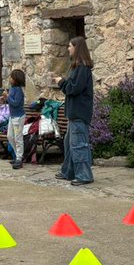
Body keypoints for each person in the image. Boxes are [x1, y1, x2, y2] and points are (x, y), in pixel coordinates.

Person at [53, 36, 94, 186]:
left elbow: (73, 89)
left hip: (79, 113)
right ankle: (68, 171)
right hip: (74, 113)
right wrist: (63, 81)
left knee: (78, 145)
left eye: (70, 46)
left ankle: (84, 175)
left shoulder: (82, 68)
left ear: (76, 48)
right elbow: (73, 85)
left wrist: (61, 82)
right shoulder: (77, 68)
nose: (68, 48)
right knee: (69, 144)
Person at [4, 69, 26, 170]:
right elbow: (10, 101)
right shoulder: (12, 89)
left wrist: (7, 97)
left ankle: (19, 158)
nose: (10, 79)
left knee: (18, 138)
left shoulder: (19, 90)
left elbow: (16, 103)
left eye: (12, 77)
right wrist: (4, 99)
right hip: (12, 117)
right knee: (10, 136)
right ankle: (18, 155)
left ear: (16, 79)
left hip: (18, 117)